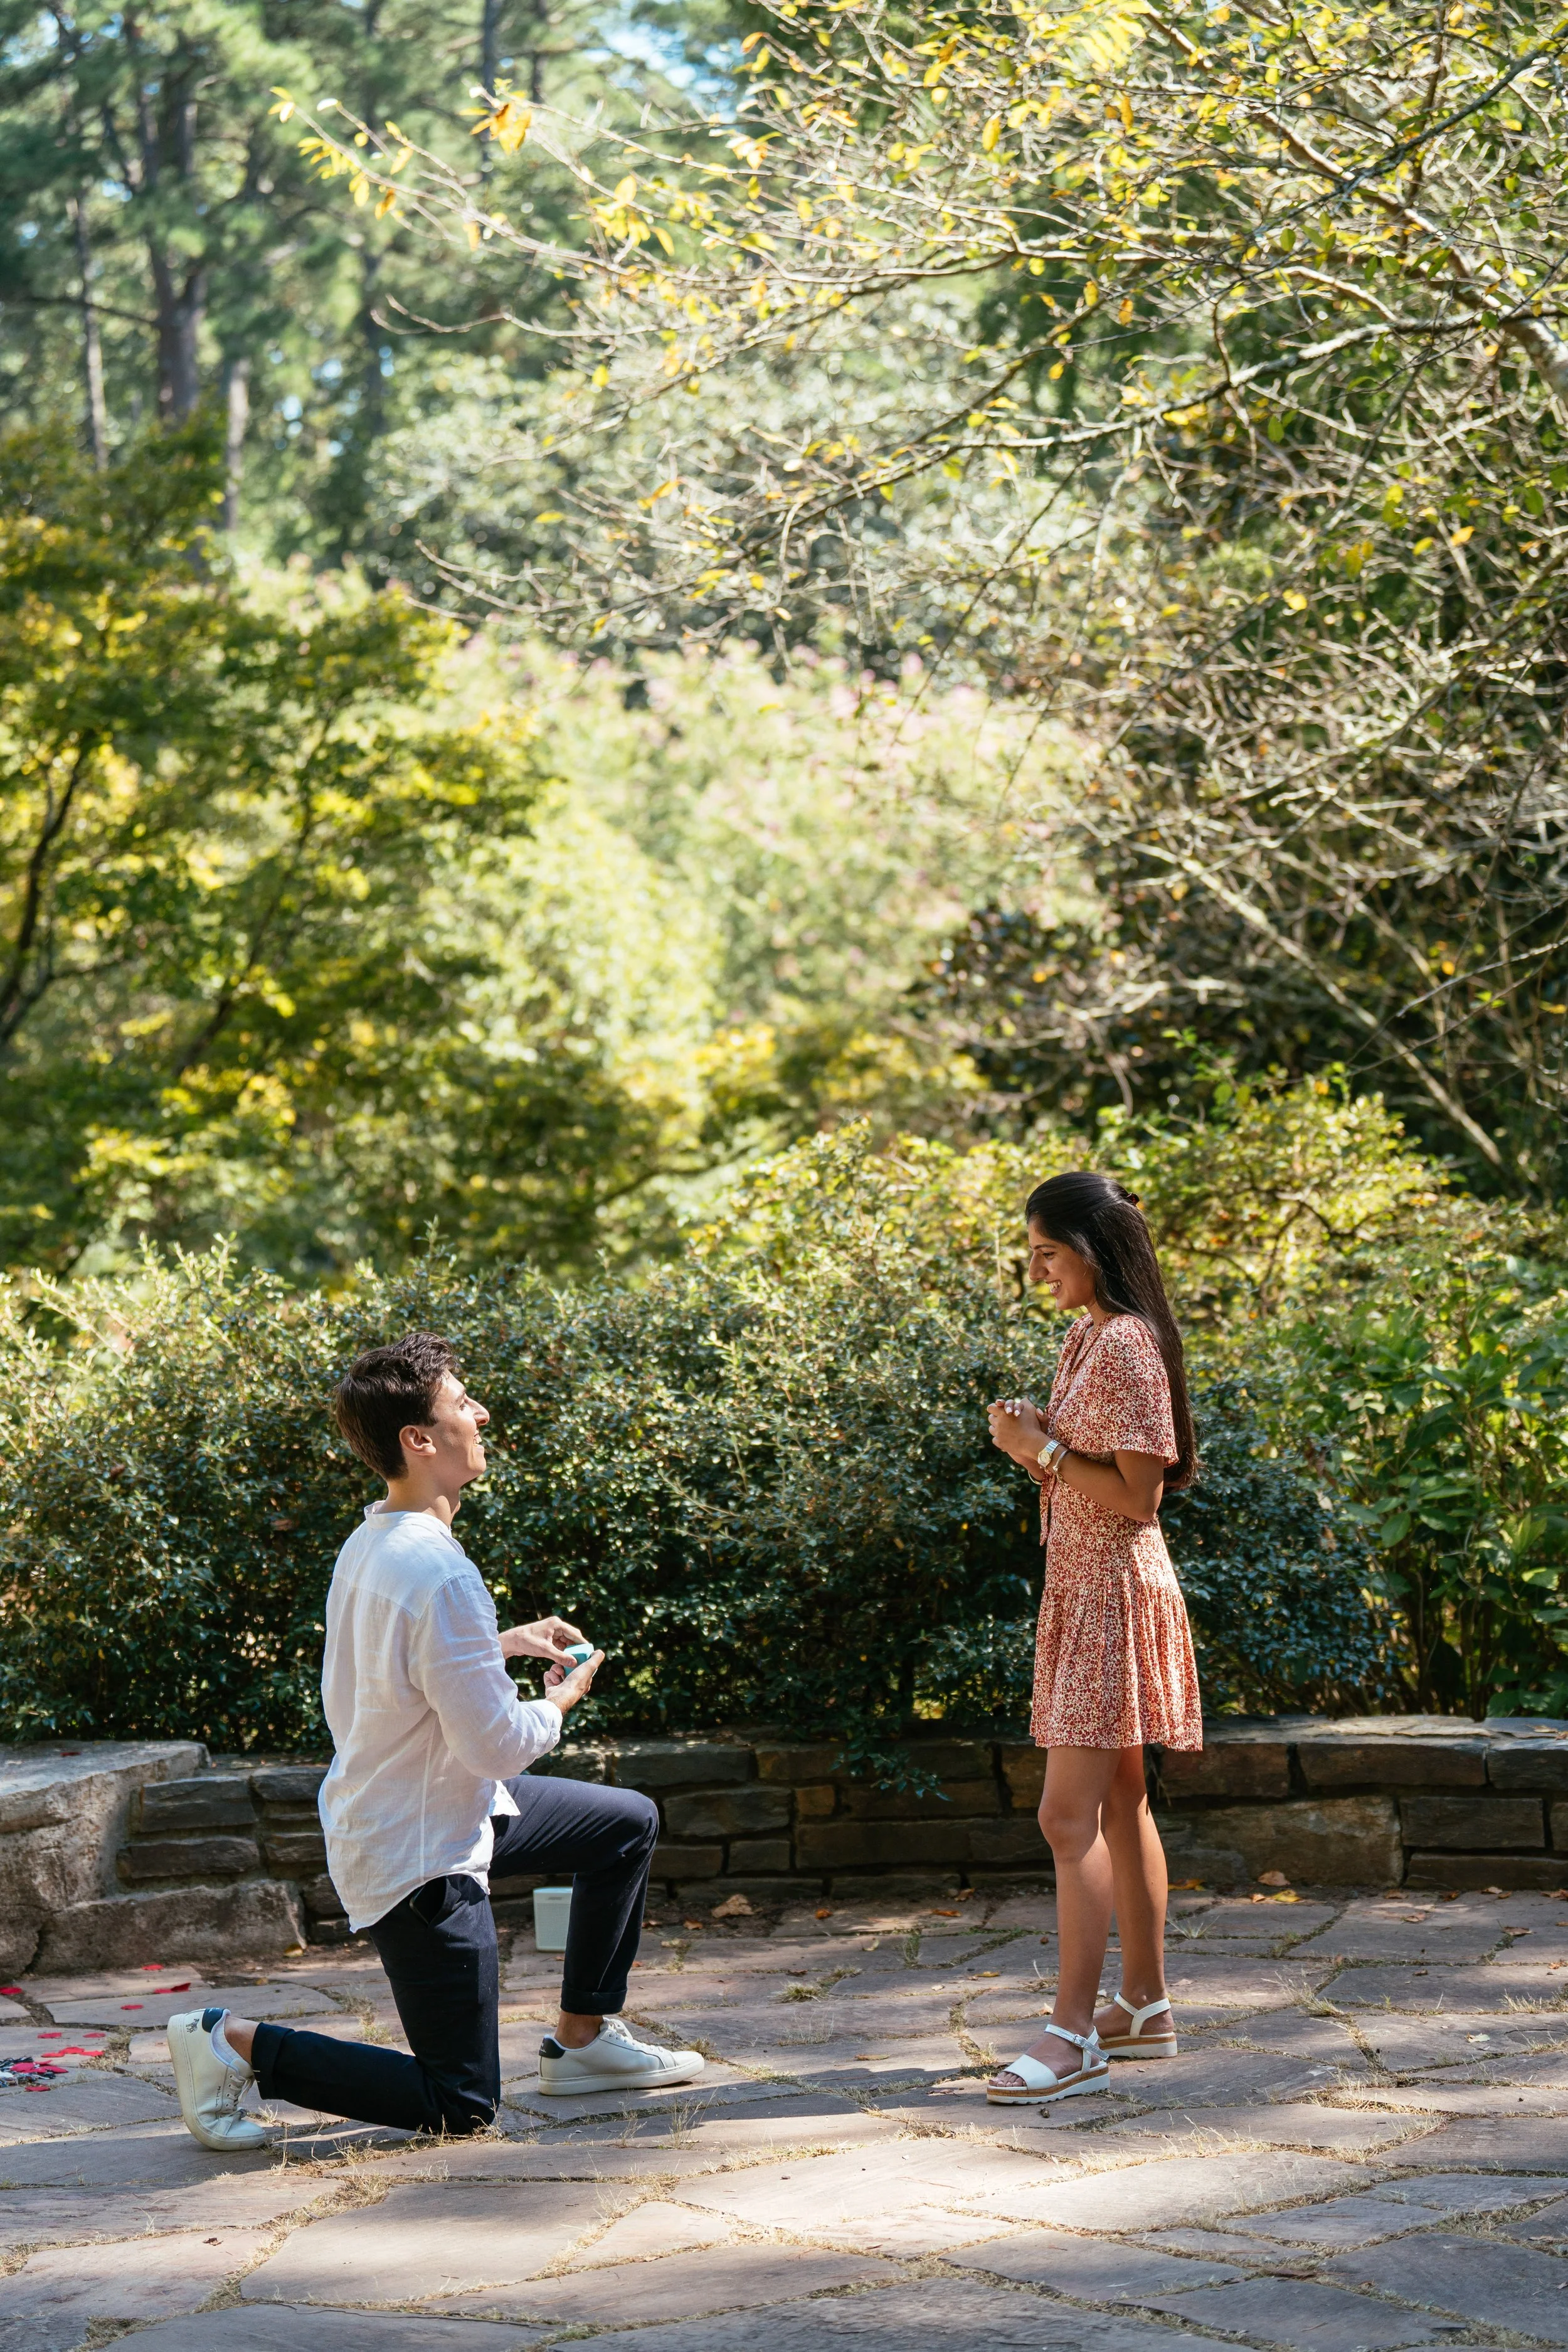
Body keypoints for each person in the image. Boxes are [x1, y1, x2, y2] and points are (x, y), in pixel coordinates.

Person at [167, 1332, 702, 2152]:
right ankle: (229, 2039)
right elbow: (497, 1745)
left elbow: (402, 1669)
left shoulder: (376, 1536)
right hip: (419, 1854)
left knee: (623, 1824)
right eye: (461, 1402)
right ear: (420, 1439)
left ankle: (584, 2039)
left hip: (435, 1807)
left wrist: (504, 1641)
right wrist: (560, 1698)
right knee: (460, 2100)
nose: (480, 1412)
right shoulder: (439, 1571)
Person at [983, 1172, 1201, 2107]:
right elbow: (1094, 1466)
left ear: (1094, 1248)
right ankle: (1145, 2005)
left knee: (1066, 1818)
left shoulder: (1128, 1345)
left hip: (1113, 1595)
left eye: (1049, 1253)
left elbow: (1140, 1496)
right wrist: (1041, 1433)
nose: (1037, 1271)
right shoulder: (1086, 1336)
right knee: (1119, 1801)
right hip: (1084, 1592)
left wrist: (1039, 1451)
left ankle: (1073, 2034)